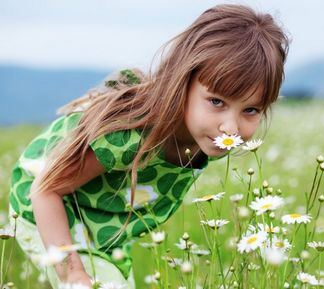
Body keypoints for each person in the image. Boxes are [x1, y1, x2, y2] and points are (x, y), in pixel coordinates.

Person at [9, 4, 289, 288]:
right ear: (183, 82)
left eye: (251, 110)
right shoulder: (129, 137)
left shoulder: (206, 137)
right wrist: (73, 274)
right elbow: (46, 189)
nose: (231, 128)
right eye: (217, 102)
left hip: (103, 225)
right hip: (44, 203)